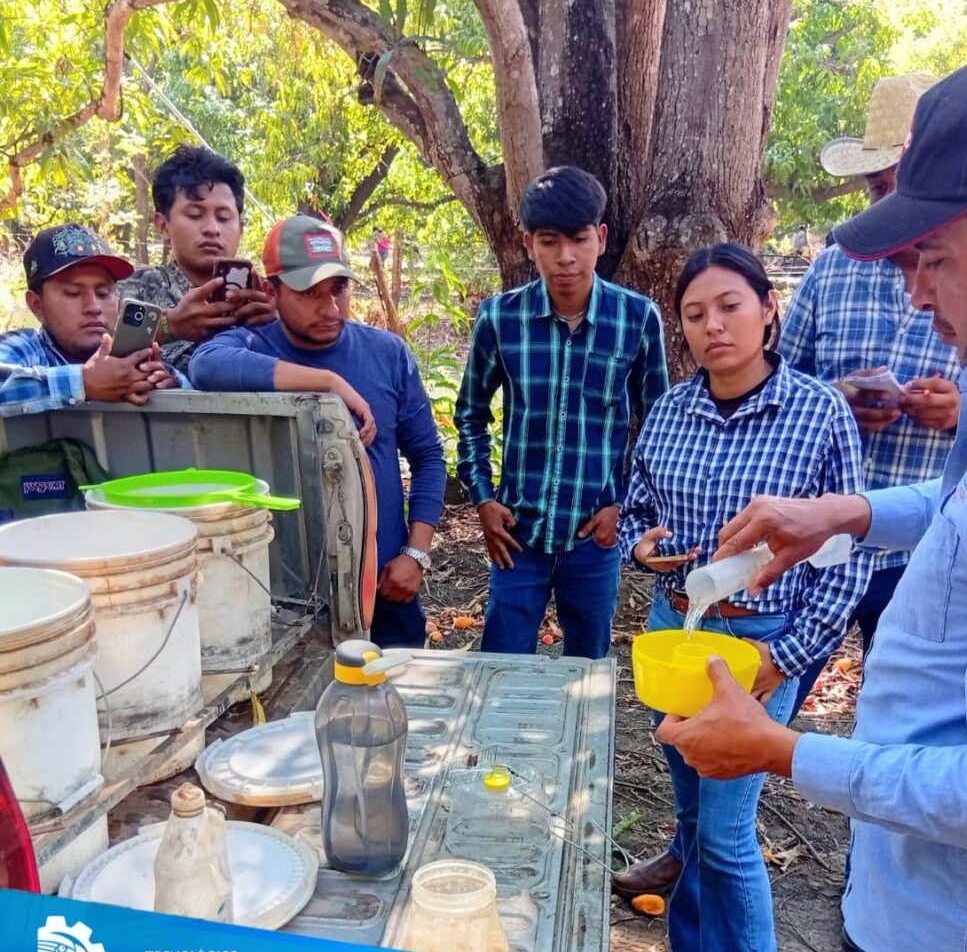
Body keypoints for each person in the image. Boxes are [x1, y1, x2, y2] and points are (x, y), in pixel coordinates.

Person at [658, 42, 967, 952]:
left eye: (934, 260)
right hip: (931, 901)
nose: (916, 297)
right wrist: (844, 514)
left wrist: (783, 751)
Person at [616, 244, 870, 952]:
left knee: (726, 835)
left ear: (768, 310)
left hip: (761, 641)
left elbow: (844, 554)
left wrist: (785, 657)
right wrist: (644, 549)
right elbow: (635, 512)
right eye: (694, 314)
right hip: (677, 633)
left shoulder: (818, 412)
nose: (712, 326)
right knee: (694, 817)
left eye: (730, 305)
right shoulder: (670, 411)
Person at [780, 72, 961, 719]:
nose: (889, 206)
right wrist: (835, 399)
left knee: (906, 718)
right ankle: (727, 814)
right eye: (878, 189)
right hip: (823, 538)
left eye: (901, 187)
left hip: (923, 550)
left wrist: (957, 413)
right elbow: (779, 381)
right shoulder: (834, 268)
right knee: (772, 689)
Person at [189, 215, 445, 649]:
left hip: (383, 586)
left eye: (338, 289)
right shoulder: (254, 346)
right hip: (287, 597)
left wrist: (415, 554)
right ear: (273, 291)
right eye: (309, 294)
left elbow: (428, 457)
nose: (329, 309)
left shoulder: (386, 353)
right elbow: (206, 365)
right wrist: (327, 383)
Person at [454, 166, 668, 659]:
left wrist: (623, 503)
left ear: (601, 238)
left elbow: (657, 425)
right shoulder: (500, 318)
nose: (565, 256)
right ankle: (500, 741)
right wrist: (484, 499)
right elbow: (469, 415)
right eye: (549, 241)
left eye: (579, 238)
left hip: (593, 537)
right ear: (528, 242)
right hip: (516, 535)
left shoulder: (636, 319)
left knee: (588, 669)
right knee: (502, 666)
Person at [1, 223, 186, 417]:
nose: (94, 307)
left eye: (103, 293)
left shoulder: (134, 362)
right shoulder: (25, 349)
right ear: (37, 305)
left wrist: (172, 387)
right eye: (73, 293)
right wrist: (82, 383)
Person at [119, 145, 275, 375]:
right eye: (195, 215)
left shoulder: (267, 297)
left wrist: (282, 327)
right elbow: (95, 343)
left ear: (240, 227)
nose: (212, 229)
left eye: (223, 218)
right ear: (163, 225)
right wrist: (169, 327)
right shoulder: (135, 287)